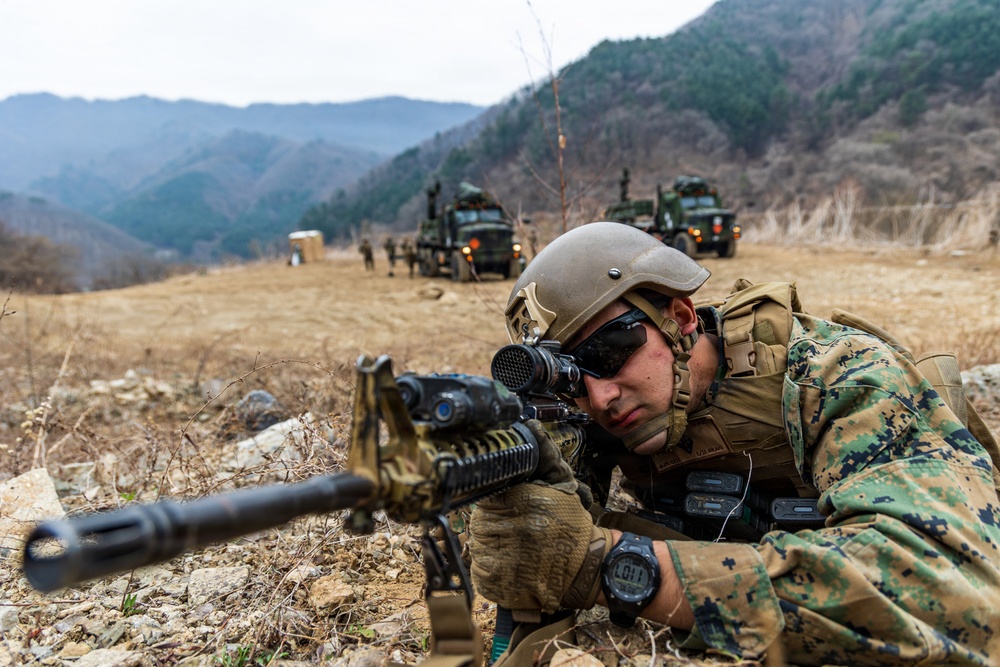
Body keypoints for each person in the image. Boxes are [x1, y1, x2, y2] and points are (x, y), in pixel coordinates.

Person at [468, 222, 1000, 666]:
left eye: (610, 352)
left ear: (678, 318)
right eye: (571, 378)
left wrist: (610, 567)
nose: (601, 397)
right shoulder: (592, 415)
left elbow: (949, 603)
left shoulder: (839, 378)